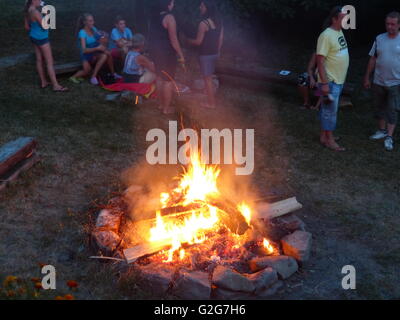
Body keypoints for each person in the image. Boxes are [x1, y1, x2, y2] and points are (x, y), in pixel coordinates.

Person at [364, 12, 400, 152]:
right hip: (378, 80)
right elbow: (373, 58)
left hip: (395, 82)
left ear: (399, 24)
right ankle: (382, 130)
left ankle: (389, 137)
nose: (390, 26)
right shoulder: (379, 38)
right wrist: (367, 77)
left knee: (392, 109)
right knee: (379, 107)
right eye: (387, 24)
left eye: (393, 24)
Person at [316, 6, 349, 151]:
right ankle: (329, 140)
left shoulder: (339, 31)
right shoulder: (326, 35)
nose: (345, 20)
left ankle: (324, 136)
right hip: (329, 81)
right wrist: (324, 84)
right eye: (342, 18)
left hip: (338, 80)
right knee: (330, 112)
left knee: (327, 110)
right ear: (334, 19)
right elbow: (320, 61)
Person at [148, 0, 185, 114]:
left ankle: (160, 104)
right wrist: (181, 55)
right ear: (167, 4)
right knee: (168, 81)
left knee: (159, 77)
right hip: (167, 53)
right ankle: (166, 109)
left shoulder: (154, 16)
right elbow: (174, 40)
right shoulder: (169, 17)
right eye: (172, 2)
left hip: (156, 52)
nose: (173, 4)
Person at [185, 0, 223, 109]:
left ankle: (211, 104)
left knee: (207, 80)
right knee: (209, 77)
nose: (200, 7)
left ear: (207, 8)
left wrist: (188, 40)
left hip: (205, 55)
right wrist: (218, 51)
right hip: (214, 54)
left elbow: (198, 42)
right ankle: (209, 98)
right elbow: (220, 39)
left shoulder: (203, 24)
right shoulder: (219, 22)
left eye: (202, 6)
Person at [24, 0, 68, 92]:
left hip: (33, 36)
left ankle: (43, 82)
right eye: (39, 0)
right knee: (49, 62)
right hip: (42, 38)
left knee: (39, 59)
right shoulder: (35, 12)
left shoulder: (27, 9)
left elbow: (27, 27)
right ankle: (56, 85)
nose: (40, 1)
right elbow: (45, 26)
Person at [69, 13, 121, 85]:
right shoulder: (82, 33)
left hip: (94, 52)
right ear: (85, 22)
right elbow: (84, 50)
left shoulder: (94, 29)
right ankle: (73, 77)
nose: (92, 23)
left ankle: (110, 74)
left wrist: (104, 39)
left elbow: (100, 40)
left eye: (92, 20)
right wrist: (97, 48)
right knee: (87, 71)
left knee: (106, 54)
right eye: (90, 21)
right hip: (85, 55)